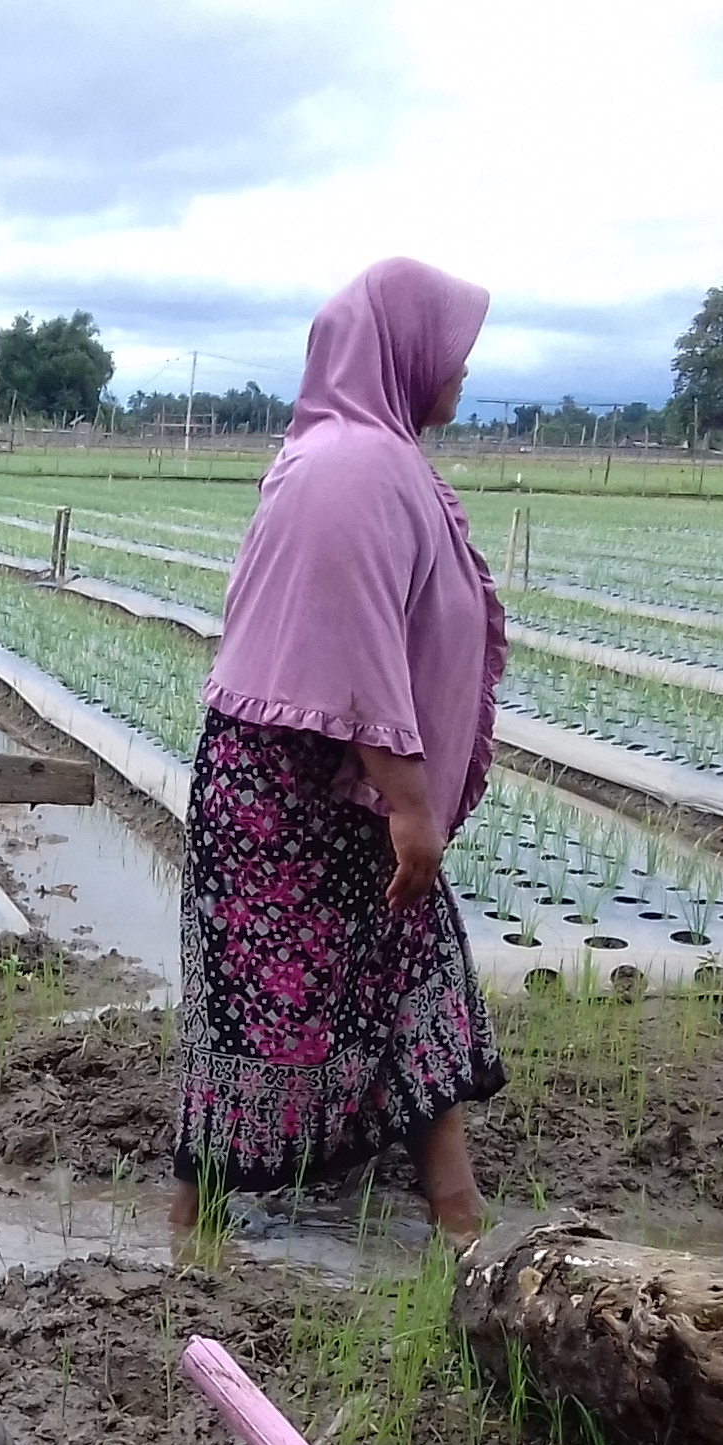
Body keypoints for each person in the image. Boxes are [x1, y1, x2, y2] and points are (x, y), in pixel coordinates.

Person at [171, 258, 507, 1245]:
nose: (464, 368)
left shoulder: (370, 458)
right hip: (290, 798)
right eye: (454, 348)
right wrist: (411, 804)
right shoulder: (353, 467)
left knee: (413, 976)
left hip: (339, 790)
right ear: (405, 350)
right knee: (258, 1016)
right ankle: (194, 1231)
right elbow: (354, 651)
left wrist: (402, 800)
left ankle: (457, 1212)